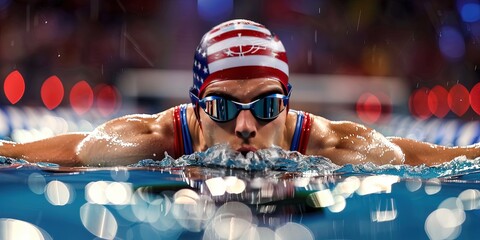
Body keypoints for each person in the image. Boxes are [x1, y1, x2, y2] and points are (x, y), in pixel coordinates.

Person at [1, 19, 479, 167]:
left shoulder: (322, 141)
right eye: (224, 107)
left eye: (267, 105)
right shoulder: (155, 138)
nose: (247, 125)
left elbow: (409, 155)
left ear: (287, 105)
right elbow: (71, 153)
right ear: (196, 108)